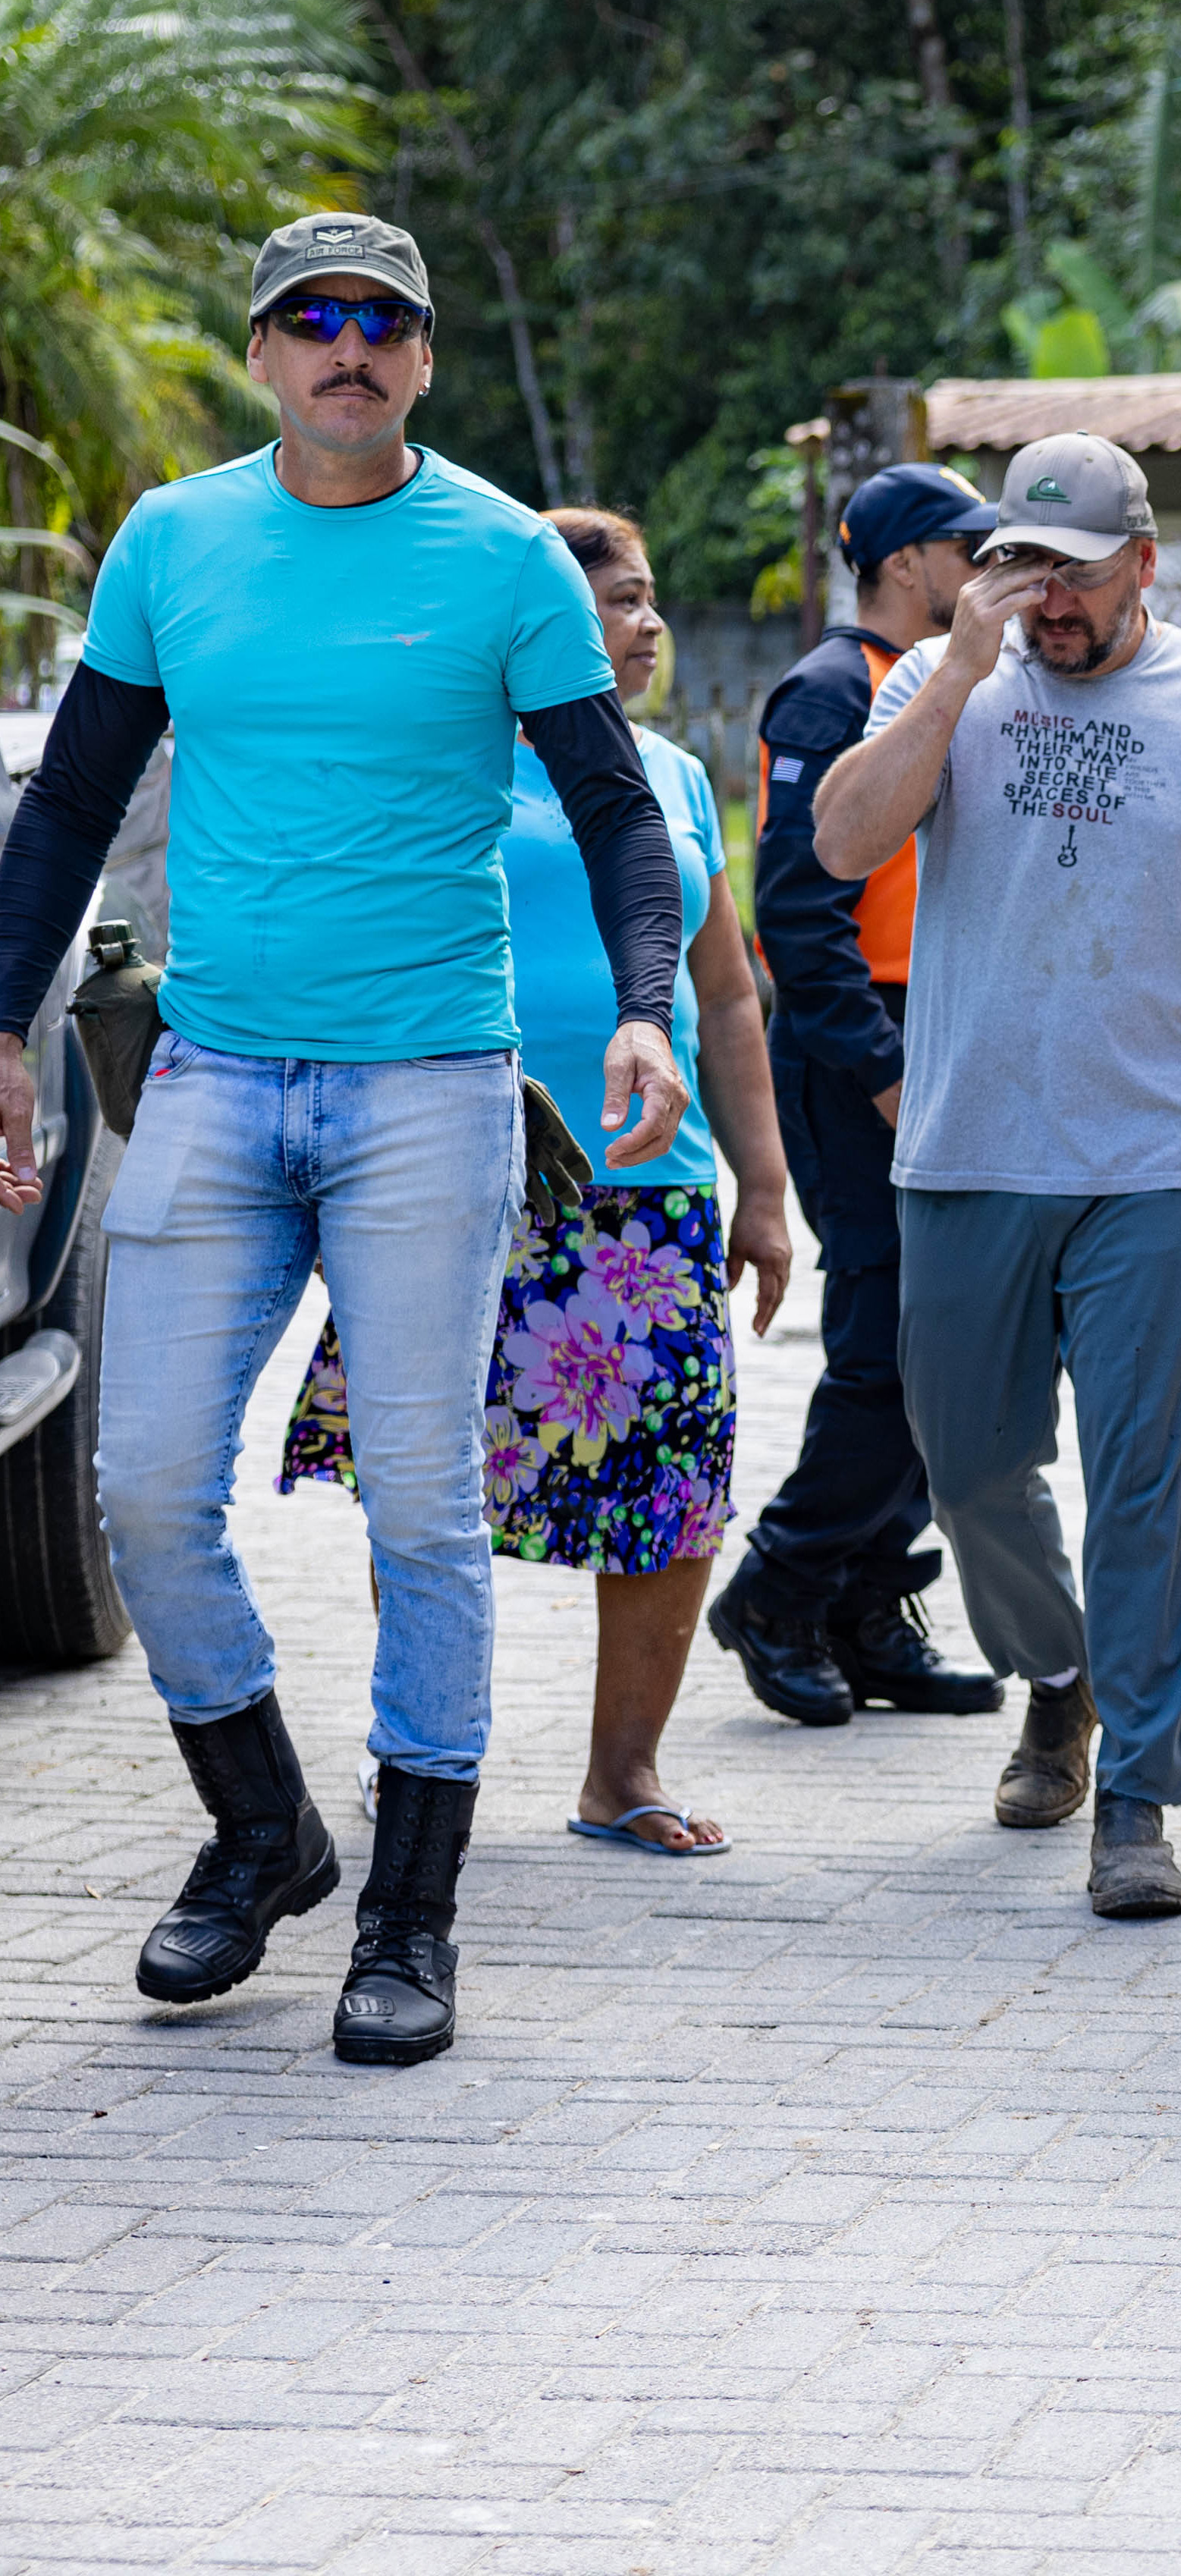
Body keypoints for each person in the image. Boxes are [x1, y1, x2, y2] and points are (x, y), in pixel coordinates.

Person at [0, 211, 688, 2068]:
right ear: (262, 354)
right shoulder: (175, 541)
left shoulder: (503, 556)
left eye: (384, 319)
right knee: (146, 1484)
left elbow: (618, 812)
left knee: (424, 1507)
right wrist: (0, 1020)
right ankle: (261, 1830)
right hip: (217, 1077)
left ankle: (410, 1913)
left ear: (424, 357)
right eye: (312, 317)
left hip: (430, 1089)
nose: (348, 346)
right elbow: (69, 802)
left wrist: (642, 1001)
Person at [812, 430, 1181, 1918]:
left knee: (1154, 1486)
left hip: (1158, 1157)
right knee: (969, 1470)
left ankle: (1141, 1796)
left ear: (1144, 562)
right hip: (969, 1145)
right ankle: (1059, 1673)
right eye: (1021, 569)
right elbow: (840, 841)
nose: (1050, 601)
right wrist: (957, 676)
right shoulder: (939, 678)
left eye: (1079, 573)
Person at [279, 509, 794, 1859]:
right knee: (427, 1476)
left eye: (649, 597)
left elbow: (728, 997)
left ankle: (623, 1774)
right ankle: (417, 1748)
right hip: (456, 1168)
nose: (647, 623)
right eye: (617, 601)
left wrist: (763, 1187)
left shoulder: (676, 777)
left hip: (652, 1186)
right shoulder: (440, 756)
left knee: (671, 1483)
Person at [705, 461, 1006, 1729]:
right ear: (905, 562)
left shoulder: (947, 681)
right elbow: (798, 914)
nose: (988, 574)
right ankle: (778, 1588)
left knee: (949, 1346)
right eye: (969, 551)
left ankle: (870, 1606)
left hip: (938, 1035)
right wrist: (882, 1072)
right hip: (859, 1056)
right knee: (889, 1347)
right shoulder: (833, 688)